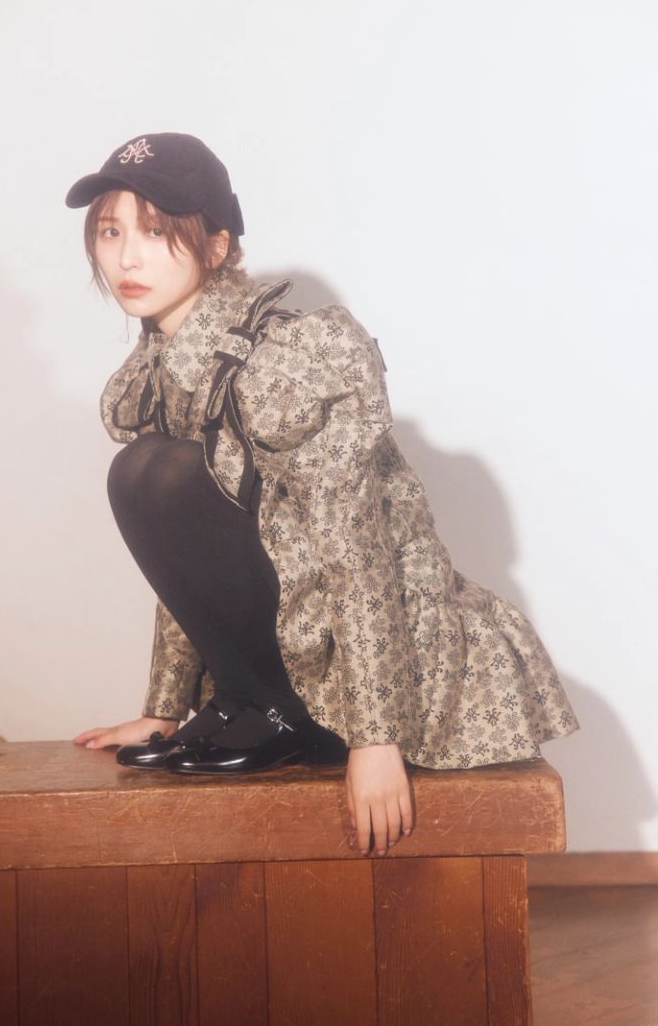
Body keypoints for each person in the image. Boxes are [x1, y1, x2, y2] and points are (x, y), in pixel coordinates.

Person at [69, 132, 580, 857]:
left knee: (156, 473)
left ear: (217, 246)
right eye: (110, 231)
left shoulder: (291, 358)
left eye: (155, 232)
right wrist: (165, 708)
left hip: (362, 662)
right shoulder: (163, 368)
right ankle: (245, 704)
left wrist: (376, 740)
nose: (126, 258)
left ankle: (292, 715)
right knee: (147, 472)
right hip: (279, 644)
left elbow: (357, 553)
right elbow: (193, 558)